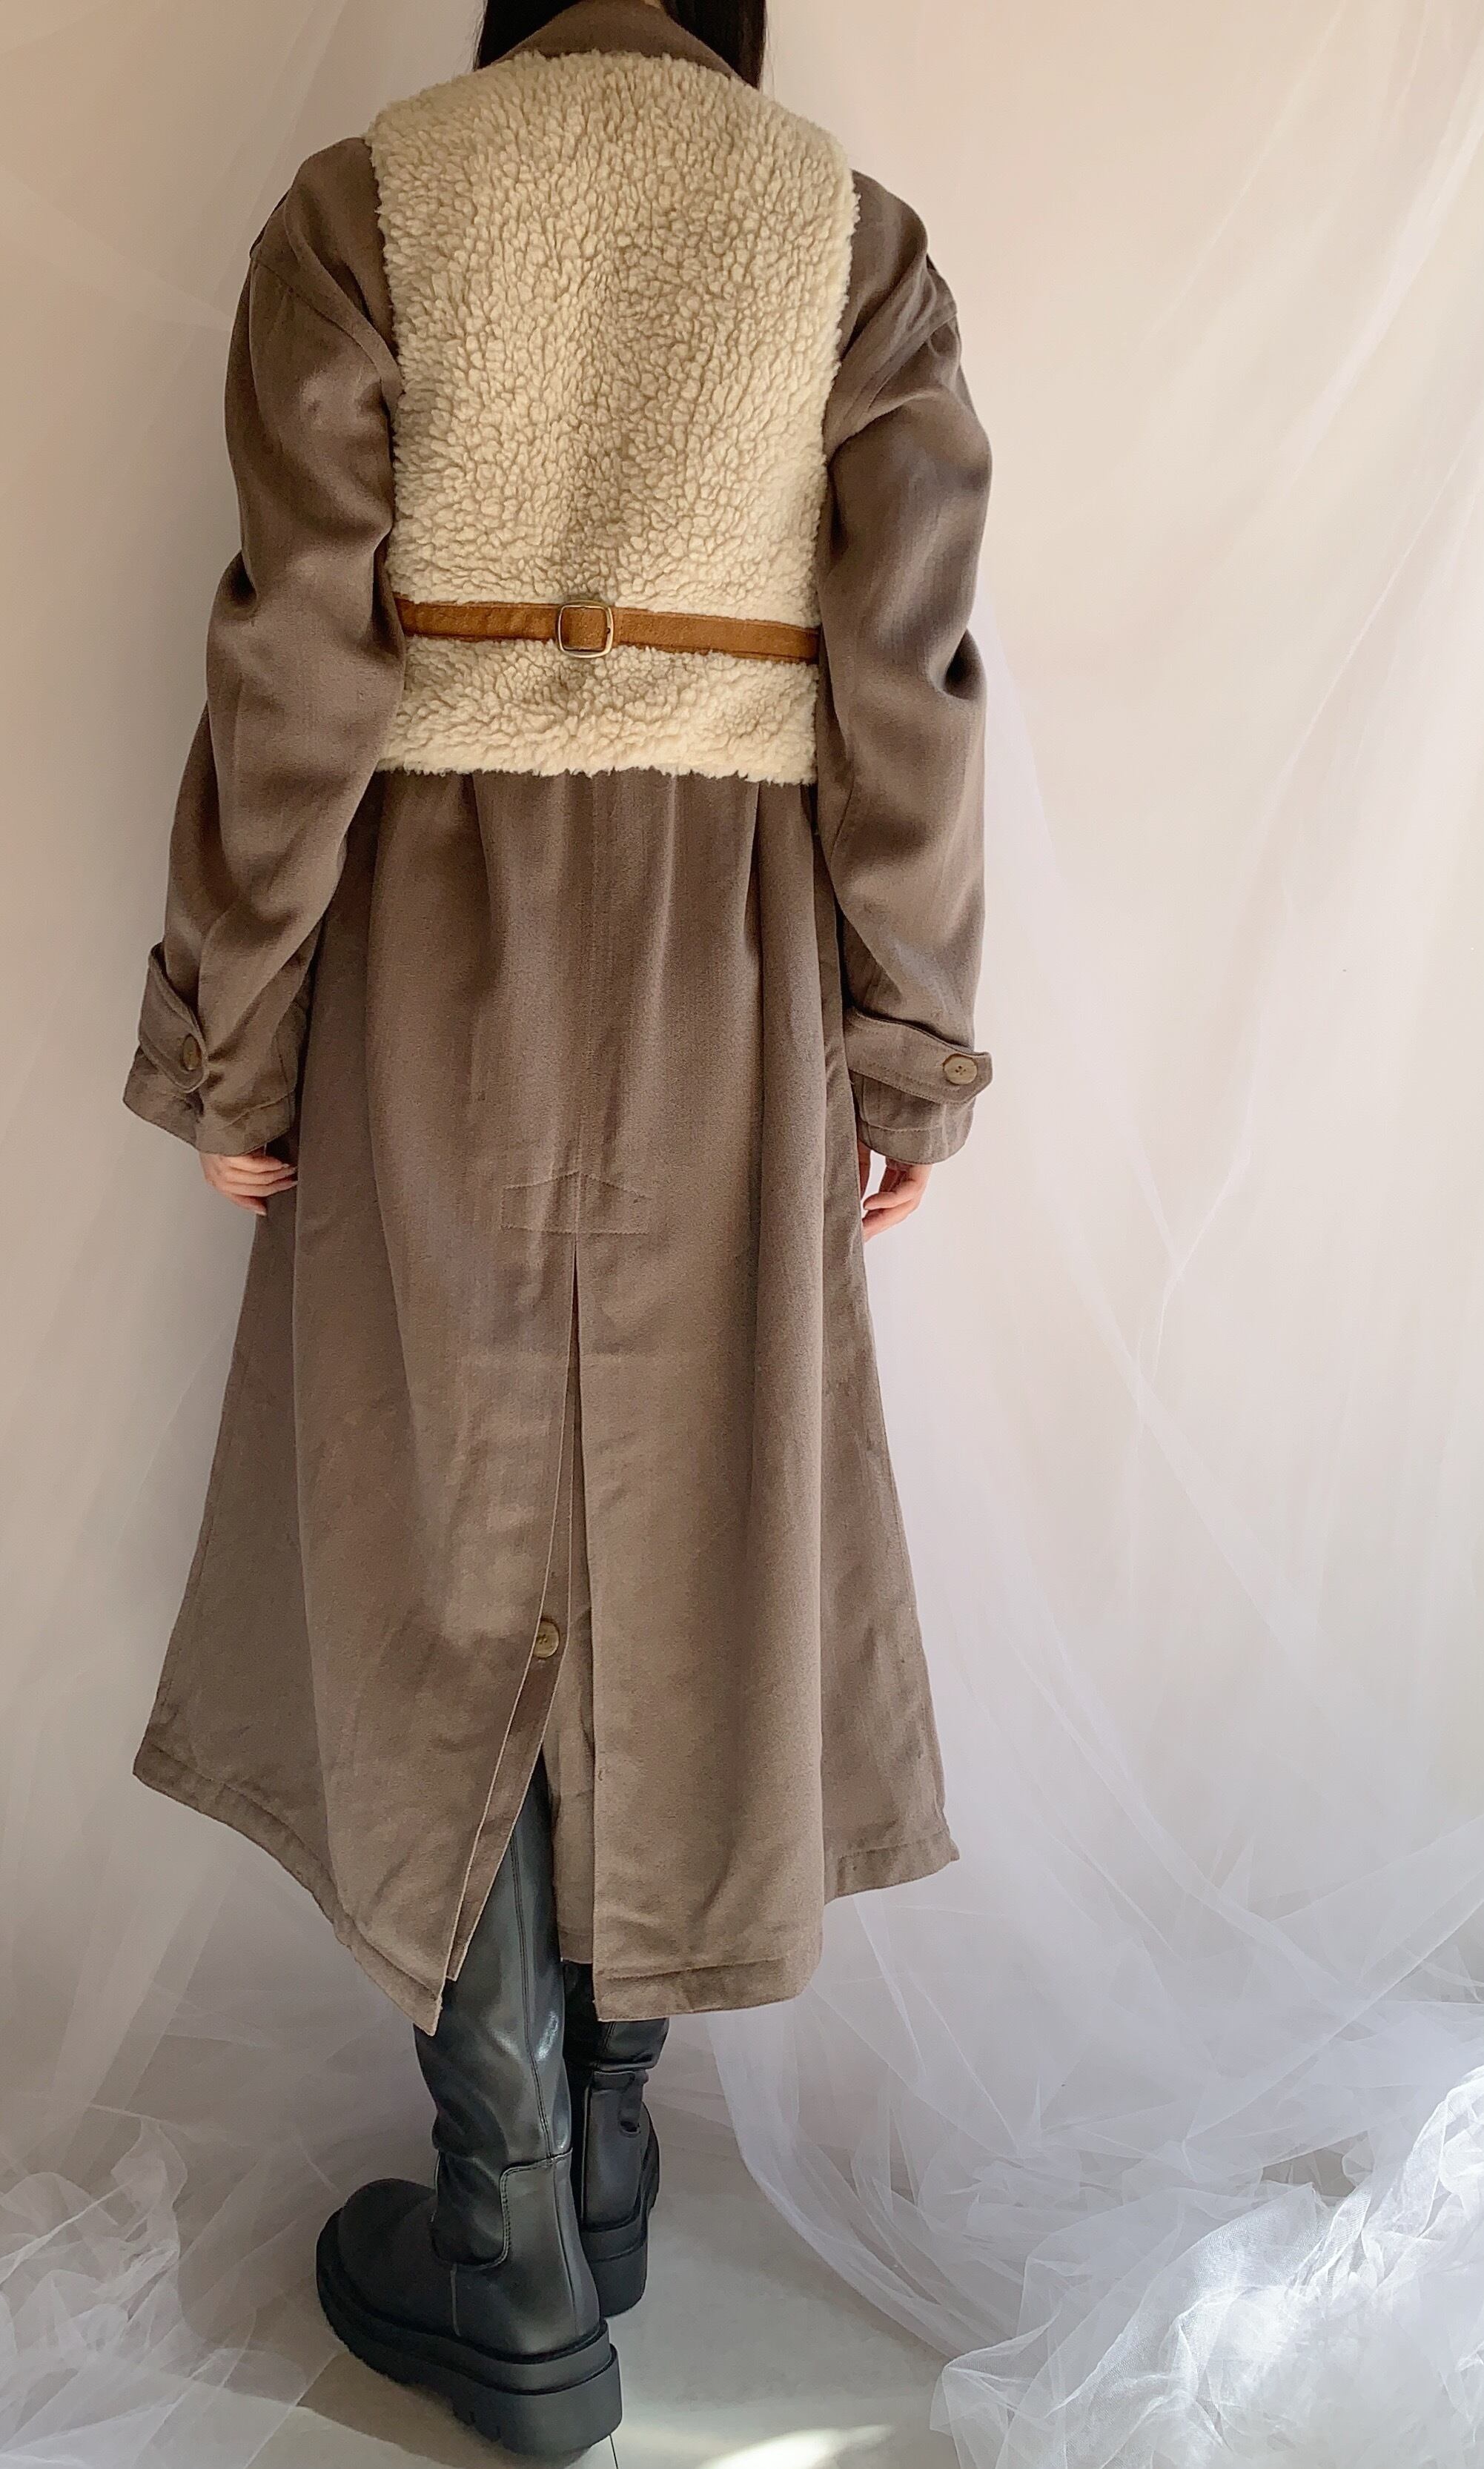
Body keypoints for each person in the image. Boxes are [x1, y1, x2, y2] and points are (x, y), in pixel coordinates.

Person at [119, 0, 993, 2448]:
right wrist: (908, 1043)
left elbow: (292, 655)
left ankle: (504, 2226)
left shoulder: (368, 206)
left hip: (435, 925)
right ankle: (603, 2160)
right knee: (685, 1520)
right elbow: (910, 688)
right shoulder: (845, 238)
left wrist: (230, 1031)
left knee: (443, 1533)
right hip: (736, 947)